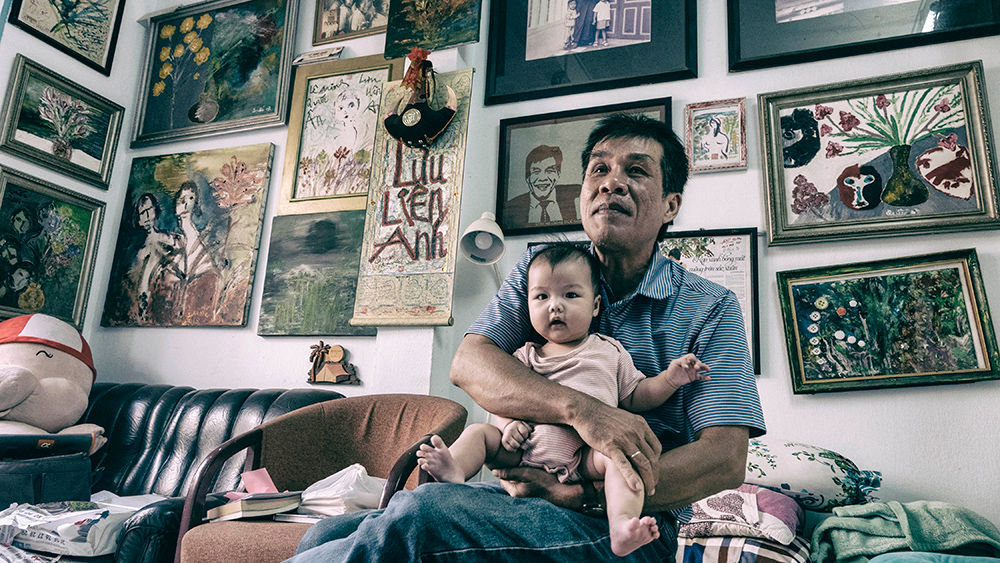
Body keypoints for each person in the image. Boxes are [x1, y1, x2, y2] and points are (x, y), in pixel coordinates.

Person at [287, 112, 764, 562]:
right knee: (327, 533)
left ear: (670, 206)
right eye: (599, 169)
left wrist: (581, 494)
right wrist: (584, 411)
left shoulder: (710, 306)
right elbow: (470, 364)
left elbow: (724, 459)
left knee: (422, 513)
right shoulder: (541, 274)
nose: (611, 182)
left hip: (629, 524)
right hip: (518, 497)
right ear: (582, 196)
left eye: (636, 171)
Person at [415, 243, 711, 556]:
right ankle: (455, 471)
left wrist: (670, 379)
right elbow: (502, 399)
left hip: (583, 458)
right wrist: (508, 424)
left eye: (570, 295)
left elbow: (638, 395)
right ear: (527, 306)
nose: (555, 306)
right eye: (541, 297)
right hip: (523, 451)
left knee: (620, 460)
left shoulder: (610, 351)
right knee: (479, 433)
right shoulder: (525, 355)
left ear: (595, 306)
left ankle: (621, 523)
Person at [504, 145, 580, 228]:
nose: (542, 178)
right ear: (527, 177)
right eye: (536, 172)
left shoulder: (577, 196)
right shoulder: (512, 208)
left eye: (549, 171)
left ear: (558, 174)